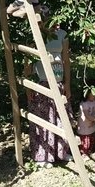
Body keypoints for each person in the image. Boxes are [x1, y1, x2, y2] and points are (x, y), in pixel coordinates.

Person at [24, 22, 72, 167]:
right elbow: (28, 63)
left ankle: (61, 152)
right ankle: (42, 156)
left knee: (60, 118)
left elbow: (66, 60)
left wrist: (67, 83)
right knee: (43, 119)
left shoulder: (62, 34)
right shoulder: (35, 35)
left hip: (58, 82)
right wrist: (28, 86)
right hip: (41, 81)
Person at [77, 87, 95, 156]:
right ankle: (83, 154)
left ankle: (88, 152)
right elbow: (87, 116)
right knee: (85, 141)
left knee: (91, 139)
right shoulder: (84, 104)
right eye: (93, 95)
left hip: (91, 125)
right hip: (84, 126)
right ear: (87, 94)